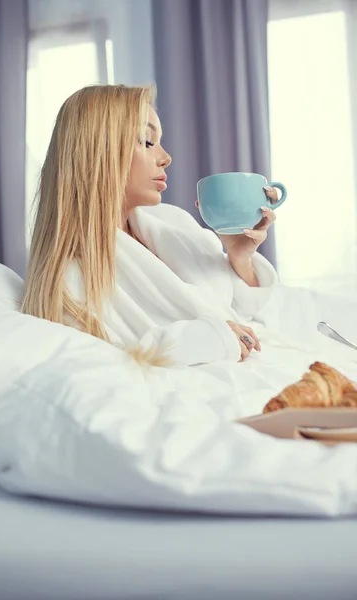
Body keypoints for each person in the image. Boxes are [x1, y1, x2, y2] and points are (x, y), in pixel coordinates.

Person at [22, 83, 357, 416]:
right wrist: (209, 338)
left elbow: (241, 312)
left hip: (287, 366)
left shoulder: (172, 225)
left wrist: (239, 256)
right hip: (228, 395)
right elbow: (101, 369)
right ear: (99, 152)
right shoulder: (73, 276)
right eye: (147, 141)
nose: (166, 157)